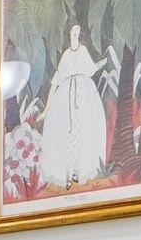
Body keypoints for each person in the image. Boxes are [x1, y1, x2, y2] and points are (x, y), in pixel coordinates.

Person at [37, 22, 109, 188]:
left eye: (78, 31)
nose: (75, 33)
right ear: (69, 34)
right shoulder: (65, 55)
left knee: (81, 131)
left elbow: (91, 69)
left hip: (84, 95)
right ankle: (67, 174)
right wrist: (46, 110)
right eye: (73, 31)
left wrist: (103, 62)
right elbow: (55, 81)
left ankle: (78, 171)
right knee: (66, 133)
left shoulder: (83, 51)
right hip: (65, 98)